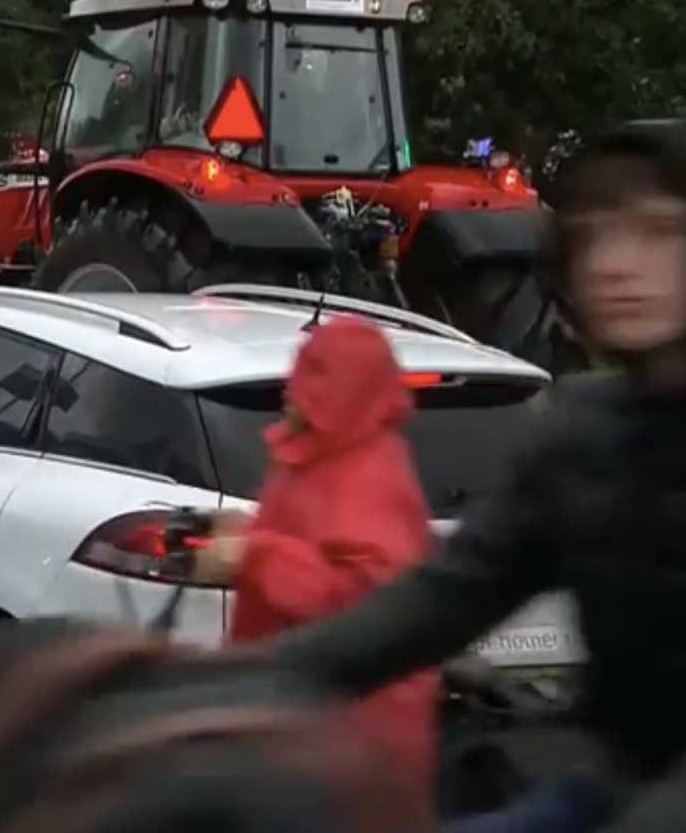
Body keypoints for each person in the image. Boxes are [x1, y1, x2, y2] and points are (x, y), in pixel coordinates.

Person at [246, 120, 686, 833]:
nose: (617, 264)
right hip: (612, 788)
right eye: (597, 236)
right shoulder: (584, 435)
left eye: (658, 233)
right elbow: (439, 600)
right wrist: (228, 685)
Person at [191, 315, 439, 819]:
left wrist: (252, 555)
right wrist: (244, 532)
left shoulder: (368, 477)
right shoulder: (318, 455)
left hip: (353, 742)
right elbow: (307, 541)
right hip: (291, 722)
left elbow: (362, 601)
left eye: (314, 375)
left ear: (345, 389)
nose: (292, 387)